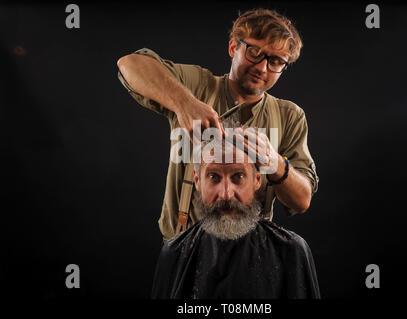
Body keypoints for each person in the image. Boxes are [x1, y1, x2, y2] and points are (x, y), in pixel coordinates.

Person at [117, 8, 319, 239]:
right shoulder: (197, 87)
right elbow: (130, 64)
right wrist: (184, 103)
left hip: (254, 255)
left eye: (275, 61)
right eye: (254, 52)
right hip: (184, 249)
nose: (262, 68)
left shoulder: (290, 116)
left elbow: (302, 200)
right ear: (234, 47)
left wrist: (274, 162)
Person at [151, 137, 321, 299]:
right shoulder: (175, 253)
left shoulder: (291, 251)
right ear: (197, 181)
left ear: (257, 180)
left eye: (238, 176)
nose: (226, 194)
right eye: (214, 177)